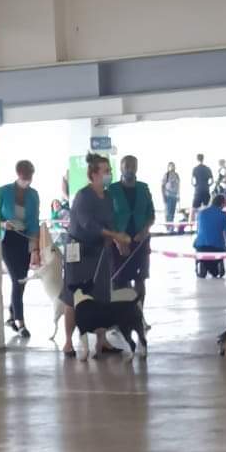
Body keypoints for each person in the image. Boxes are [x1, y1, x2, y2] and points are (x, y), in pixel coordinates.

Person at [61, 153, 131, 359]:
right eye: (106, 171)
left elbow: (110, 223)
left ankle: (102, 341)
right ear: (93, 174)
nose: (109, 174)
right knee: (73, 296)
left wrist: (118, 241)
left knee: (102, 296)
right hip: (78, 251)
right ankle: (68, 341)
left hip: (100, 251)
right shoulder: (83, 196)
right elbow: (88, 224)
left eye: (110, 170)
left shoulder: (108, 196)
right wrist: (114, 236)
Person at [0, 158, 40, 338]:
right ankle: (21, 322)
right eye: (24, 177)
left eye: (29, 177)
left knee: (22, 281)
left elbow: (34, 223)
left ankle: (11, 316)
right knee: (17, 280)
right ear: (18, 174)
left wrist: (35, 249)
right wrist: (2, 224)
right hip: (8, 239)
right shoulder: (3, 191)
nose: (27, 180)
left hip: (24, 239)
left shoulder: (33, 195)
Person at [109, 155, 155, 305]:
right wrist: (117, 240)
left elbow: (151, 215)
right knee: (120, 280)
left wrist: (145, 231)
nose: (130, 169)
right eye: (126, 166)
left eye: (133, 166)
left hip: (140, 241)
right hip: (119, 242)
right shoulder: (112, 190)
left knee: (140, 279)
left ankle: (139, 313)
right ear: (121, 168)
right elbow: (107, 218)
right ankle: (121, 313)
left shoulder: (144, 188)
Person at [192, 193, 226, 278]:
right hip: (216, 248)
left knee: (197, 243)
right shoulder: (223, 215)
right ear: (222, 204)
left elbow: (198, 230)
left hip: (201, 246)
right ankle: (217, 266)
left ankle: (200, 263)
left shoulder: (201, 213)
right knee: (215, 273)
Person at [161, 162, 180, 229]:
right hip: (168, 195)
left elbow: (178, 186)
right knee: (168, 212)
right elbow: (162, 186)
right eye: (171, 166)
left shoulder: (177, 175)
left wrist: (178, 196)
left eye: (173, 166)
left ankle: (171, 226)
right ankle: (168, 227)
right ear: (168, 167)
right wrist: (163, 196)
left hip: (174, 195)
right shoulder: (166, 175)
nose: (172, 167)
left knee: (172, 212)